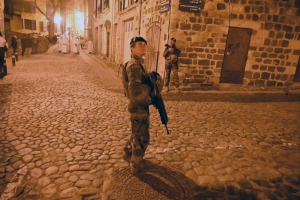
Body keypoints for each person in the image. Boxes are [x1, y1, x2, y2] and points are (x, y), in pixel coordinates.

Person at [122, 36, 158, 175]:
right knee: (141, 137)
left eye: (144, 44)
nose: (143, 46)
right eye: (140, 44)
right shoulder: (135, 66)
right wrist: (150, 92)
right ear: (132, 48)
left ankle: (127, 154)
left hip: (138, 105)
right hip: (138, 106)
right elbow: (135, 90)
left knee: (136, 134)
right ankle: (136, 165)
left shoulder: (138, 63)